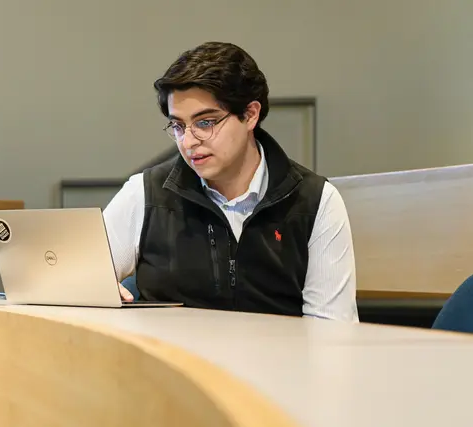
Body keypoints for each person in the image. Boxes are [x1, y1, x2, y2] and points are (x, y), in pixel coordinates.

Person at [104, 42, 358, 321]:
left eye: (205, 123)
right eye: (178, 126)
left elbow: (331, 334)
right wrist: (93, 294)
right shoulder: (145, 193)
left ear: (250, 115)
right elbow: (77, 282)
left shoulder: (315, 201)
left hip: (277, 362)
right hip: (170, 360)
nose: (188, 142)